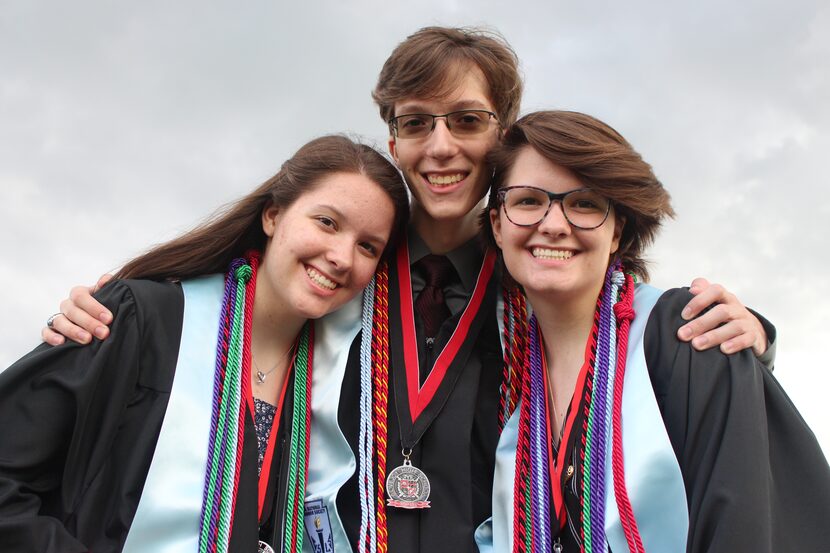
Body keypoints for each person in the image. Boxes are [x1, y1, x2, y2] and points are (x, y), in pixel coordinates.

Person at [37, 28, 775, 553]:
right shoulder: (335, 275)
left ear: (502, 137)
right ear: (393, 141)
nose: (441, 145)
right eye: (416, 123)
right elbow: (223, 320)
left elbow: (623, 339)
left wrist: (753, 334)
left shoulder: (533, 275)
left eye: (467, 121)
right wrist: (125, 301)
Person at [0, 135, 410, 553]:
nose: (342, 256)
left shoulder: (340, 387)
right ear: (272, 215)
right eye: (326, 222)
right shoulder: (142, 320)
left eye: (367, 246)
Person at [480, 110, 830, 552]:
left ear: (617, 232)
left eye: (584, 203)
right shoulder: (507, 372)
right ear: (497, 224)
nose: (553, 223)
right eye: (528, 200)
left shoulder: (687, 333)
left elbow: (743, 524)